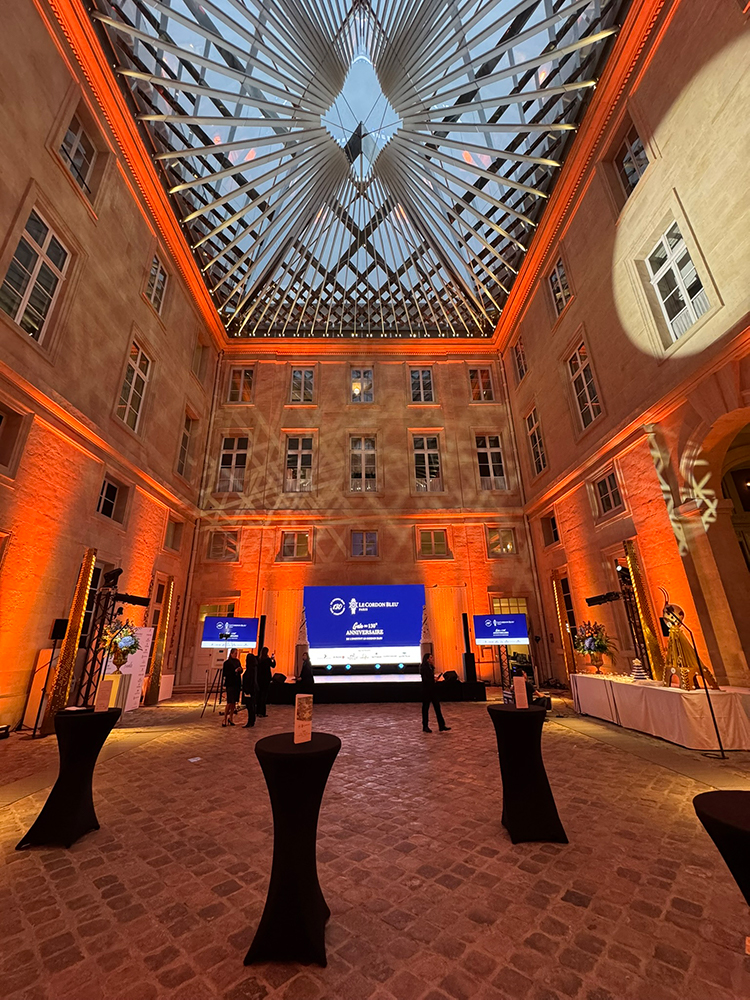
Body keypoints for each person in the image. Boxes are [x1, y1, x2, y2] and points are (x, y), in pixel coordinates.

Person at [420, 652, 451, 733]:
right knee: (425, 708)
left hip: (433, 690)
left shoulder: (431, 667)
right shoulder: (423, 667)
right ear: (427, 659)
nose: (432, 659)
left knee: (437, 707)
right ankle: (425, 726)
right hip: (426, 691)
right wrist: (433, 680)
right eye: (431, 658)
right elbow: (425, 679)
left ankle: (441, 725)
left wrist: (434, 679)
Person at [221, 648, 242, 727]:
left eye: (237, 653)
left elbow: (240, 670)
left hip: (236, 683)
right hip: (230, 683)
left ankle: (231, 717)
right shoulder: (227, 663)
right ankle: (225, 718)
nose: (236, 655)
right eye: (235, 653)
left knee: (234, 702)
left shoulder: (237, 661)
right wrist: (234, 671)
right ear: (231, 653)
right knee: (229, 702)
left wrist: (240, 670)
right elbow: (225, 673)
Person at [257, 646, 276, 717]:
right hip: (266, 680)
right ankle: (262, 712)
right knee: (264, 696)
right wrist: (273, 659)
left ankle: (257, 711)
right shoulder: (267, 660)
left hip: (259, 679)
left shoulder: (259, 659)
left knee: (259, 695)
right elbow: (273, 665)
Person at [242, 650, 258, 728]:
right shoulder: (254, 668)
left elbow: (249, 681)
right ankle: (252, 720)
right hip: (253, 690)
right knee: (252, 706)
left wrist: (247, 691)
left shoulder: (250, 670)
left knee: (250, 706)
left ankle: (250, 721)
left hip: (249, 690)